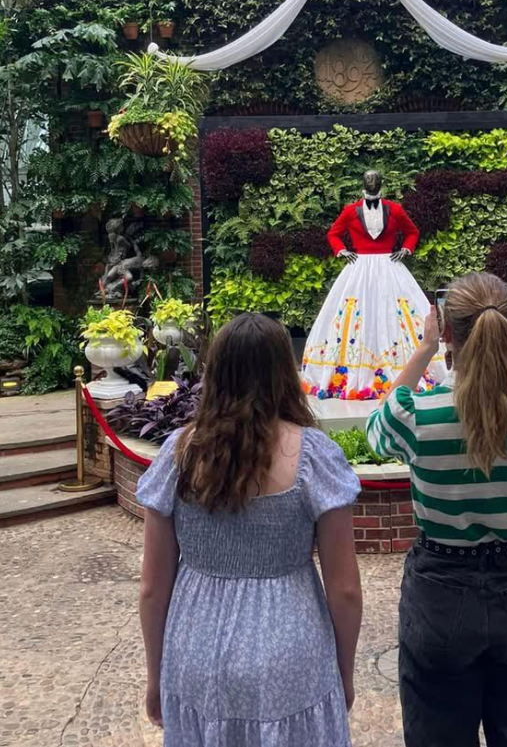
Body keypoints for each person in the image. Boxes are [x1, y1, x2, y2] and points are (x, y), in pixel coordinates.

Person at [137, 312, 363, 747]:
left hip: (195, 650)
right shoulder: (314, 456)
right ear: (284, 370)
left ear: (216, 371)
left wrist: (155, 676)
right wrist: (344, 673)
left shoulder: (178, 454)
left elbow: (152, 586)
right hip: (292, 653)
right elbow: (346, 589)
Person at [367, 272, 507, 747]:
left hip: (441, 589)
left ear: (446, 331)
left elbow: (376, 430)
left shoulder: (417, 415)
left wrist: (425, 350)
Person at [302, 168, 445, 402]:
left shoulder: (394, 209)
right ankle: (352, 371)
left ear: (380, 183)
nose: (371, 183)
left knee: (393, 312)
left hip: (390, 266)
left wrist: (406, 249)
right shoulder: (350, 211)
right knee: (356, 314)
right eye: (368, 180)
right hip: (359, 268)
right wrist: (342, 251)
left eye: (375, 179)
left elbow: (412, 231)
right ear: (363, 184)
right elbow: (333, 234)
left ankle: (405, 367)